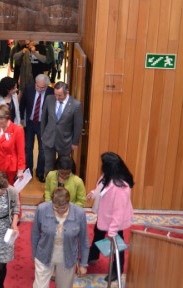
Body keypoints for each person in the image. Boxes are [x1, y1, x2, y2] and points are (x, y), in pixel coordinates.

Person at [87, 152, 134, 282]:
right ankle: (93, 255)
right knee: (98, 233)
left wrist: (113, 230)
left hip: (115, 221)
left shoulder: (121, 187)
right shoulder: (108, 176)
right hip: (105, 215)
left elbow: (119, 211)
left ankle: (116, 269)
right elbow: (102, 189)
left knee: (117, 244)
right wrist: (93, 193)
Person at [31, 187, 89, 288]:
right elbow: (35, 233)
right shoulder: (42, 209)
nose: (59, 211)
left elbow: (84, 240)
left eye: (63, 208)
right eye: (55, 208)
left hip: (68, 257)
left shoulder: (79, 213)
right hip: (43, 254)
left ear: (69, 202)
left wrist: (83, 263)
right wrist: (35, 255)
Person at [41, 81, 83, 176]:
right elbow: (43, 118)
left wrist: (75, 142)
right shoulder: (49, 99)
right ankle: (49, 187)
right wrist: (43, 135)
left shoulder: (75, 105)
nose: (57, 97)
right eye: (55, 94)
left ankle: (61, 189)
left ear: (66, 92)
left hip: (65, 141)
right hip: (49, 139)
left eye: (59, 95)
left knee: (63, 166)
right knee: (48, 166)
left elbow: (78, 125)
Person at [19, 74, 54, 182]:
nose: (39, 89)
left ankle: (40, 172)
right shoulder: (29, 89)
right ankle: (28, 172)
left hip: (43, 125)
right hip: (29, 123)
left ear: (47, 86)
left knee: (43, 150)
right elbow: (22, 104)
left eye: (42, 87)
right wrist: (21, 118)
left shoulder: (51, 93)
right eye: (37, 86)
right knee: (28, 148)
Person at [0, 105, 25, 185]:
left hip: (10, 167)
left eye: (1, 118)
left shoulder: (17, 130)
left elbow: (21, 152)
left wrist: (20, 169)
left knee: (10, 190)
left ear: (7, 118)